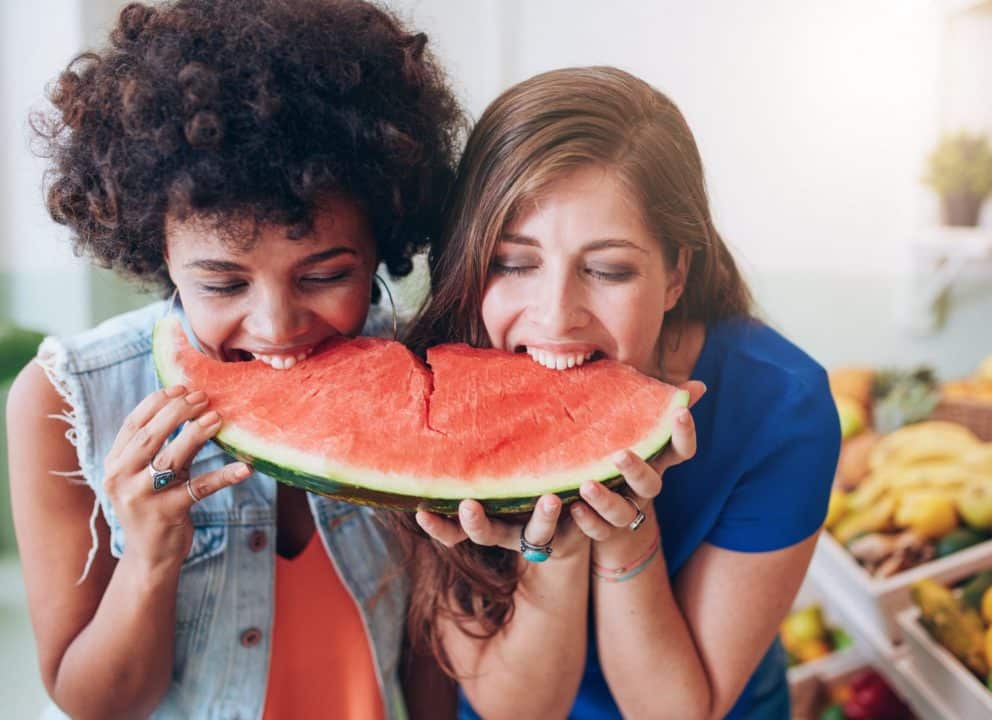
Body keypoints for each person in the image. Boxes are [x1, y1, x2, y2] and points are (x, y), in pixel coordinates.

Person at [6, 1, 463, 718]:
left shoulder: (425, 382)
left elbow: (430, 660)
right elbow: (93, 703)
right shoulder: (65, 401)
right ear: (154, 245)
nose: (277, 326)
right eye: (222, 282)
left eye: (324, 275)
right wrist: (152, 552)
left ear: (382, 237)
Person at [405, 66, 841, 719]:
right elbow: (517, 711)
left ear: (675, 275)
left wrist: (626, 534)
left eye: (608, 269)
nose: (555, 315)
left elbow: (675, 711)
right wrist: (558, 545)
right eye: (513, 262)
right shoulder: (427, 389)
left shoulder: (785, 408)